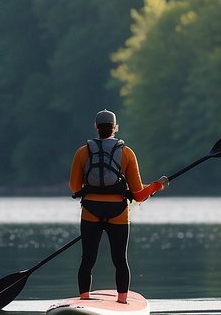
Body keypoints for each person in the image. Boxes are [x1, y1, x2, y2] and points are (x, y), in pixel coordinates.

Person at [69, 109, 167, 303]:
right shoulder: (127, 153)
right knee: (120, 260)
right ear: (115, 128)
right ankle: (122, 300)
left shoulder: (82, 152)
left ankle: (84, 298)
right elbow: (138, 195)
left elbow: (74, 187)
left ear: (96, 127)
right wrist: (157, 186)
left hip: (90, 211)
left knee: (87, 259)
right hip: (118, 213)